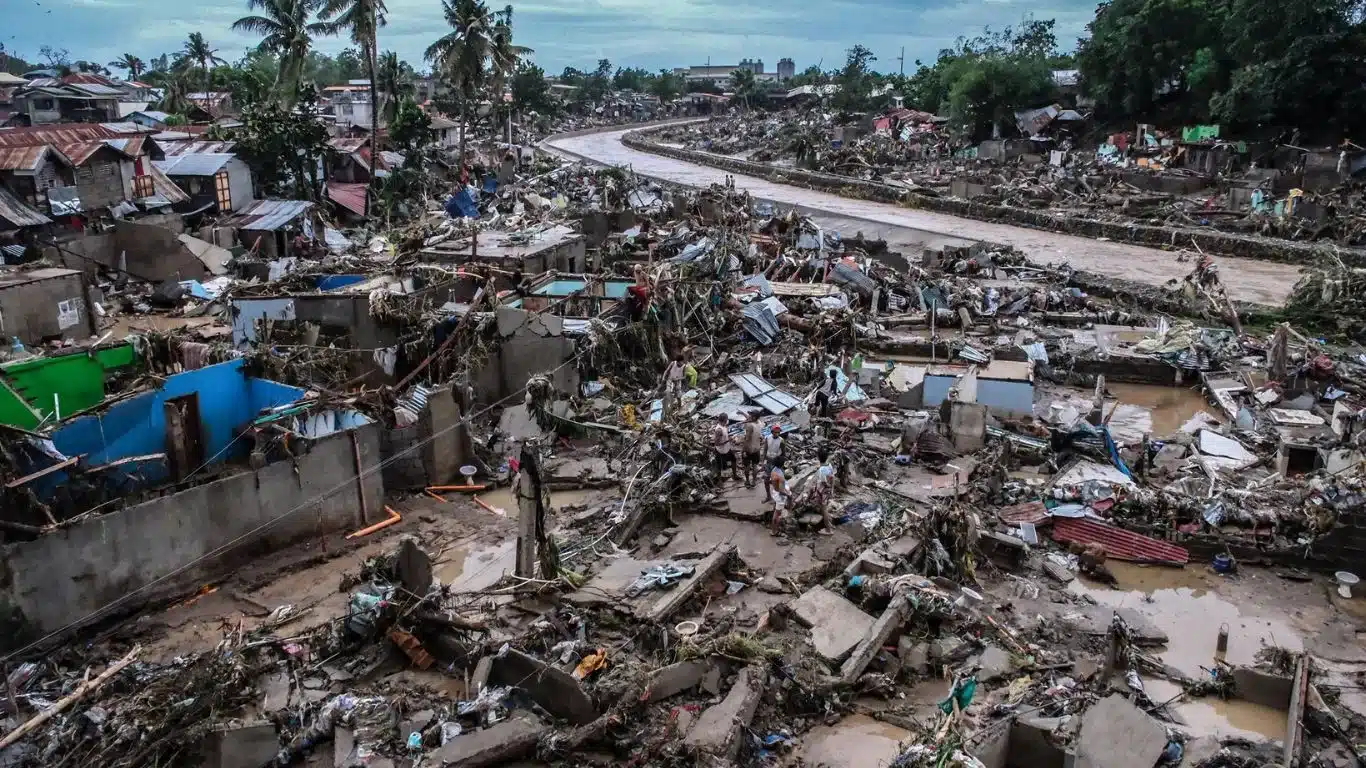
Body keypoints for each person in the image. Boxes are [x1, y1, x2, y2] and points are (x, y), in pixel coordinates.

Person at [812, 447, 836, 535]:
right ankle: (829, 523)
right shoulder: (829, 465)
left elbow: (824, 482)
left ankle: (828, 530)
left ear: (818, 457)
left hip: (822, 491)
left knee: (824, 509)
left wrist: (826, 486)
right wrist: (832, 489)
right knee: (824, 507)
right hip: (828, 490)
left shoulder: (821, 470)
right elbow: (833, 477)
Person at [711, 414, 739, 481]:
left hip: (727, 449)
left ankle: (735, 475)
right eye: (727, 419)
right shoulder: (719, 430)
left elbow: (725, 436)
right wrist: (728, 440)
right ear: (725, 420)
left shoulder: (724, 426)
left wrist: (730, 439)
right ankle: (720, 481)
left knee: (734, 460)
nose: (727, 420)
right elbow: (716, 443)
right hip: (721, 451)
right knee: (719, 466)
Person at [768, 457, 790, 535]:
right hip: (779, 495)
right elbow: (781, 491)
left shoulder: (774, 470)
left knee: (776, 511)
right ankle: (774, 531)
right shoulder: (780, 475)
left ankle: (774, 529)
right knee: (777, 514)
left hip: (774, 491)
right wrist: (788, 495)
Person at [763, 425, 785, 501]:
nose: (777, 434)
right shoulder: (767, 438)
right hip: (768, 461)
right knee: (766, 480)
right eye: (776, 432)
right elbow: (765, 450)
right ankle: (768, 496)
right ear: (772, 432)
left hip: (776, 462)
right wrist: (763, 461)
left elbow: (783, 453)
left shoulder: (781, 440)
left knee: (777, 481)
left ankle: (778, 497)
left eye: (778, 432)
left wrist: (781, 464)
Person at [741, 413, 763, 487]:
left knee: (747, 466)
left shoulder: (750, 426)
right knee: (755, 465)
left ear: (753, 417)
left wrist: (743, 450)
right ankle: (754, 481)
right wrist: (742, 413)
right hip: (757, 448)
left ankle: (747, 481)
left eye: (750, 415)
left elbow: (747, 439)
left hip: (748, 449)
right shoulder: (760, 423)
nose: (749, 416)